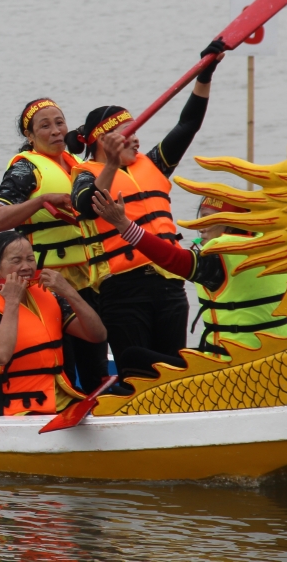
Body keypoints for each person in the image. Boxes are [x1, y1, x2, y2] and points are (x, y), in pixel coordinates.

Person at [68, 47, 223, 365]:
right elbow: (87, 206)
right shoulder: (85, 175)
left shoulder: (152, 164)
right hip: (123, 290)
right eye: (128, 133)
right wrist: (111, 164)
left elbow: (188, 124)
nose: (137, 139)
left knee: (174, 373)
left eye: (136, 131)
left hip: (170, 283)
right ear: (103, 141)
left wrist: (205, 75)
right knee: (138, 374)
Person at [92, 190, 287, 378]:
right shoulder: (274, 245)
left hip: (232, 370)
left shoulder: (223, 255)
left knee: (132, 357)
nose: (200, 226)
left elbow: (172, 259)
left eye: (208, 219)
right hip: (276, 359)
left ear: (230, 224)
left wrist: (124, 225)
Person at [0, 97, 107, 392]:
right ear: (29, 136)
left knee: (96, 368)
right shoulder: (25, 169)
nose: (55, 131)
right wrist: (41, 200)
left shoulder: (78, 166)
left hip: (89, 279)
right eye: (45, 126)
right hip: (49, 284)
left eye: (59, 123)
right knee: (64, 366)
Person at [0, 231, 107, 416]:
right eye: (16, 260)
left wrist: (69, 291)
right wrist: (12, 302)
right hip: (14, 409)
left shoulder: (49, 296)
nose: (26, 266)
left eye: (30, 259)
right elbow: (0, 355)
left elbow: (97, 335)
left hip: (61, 399)